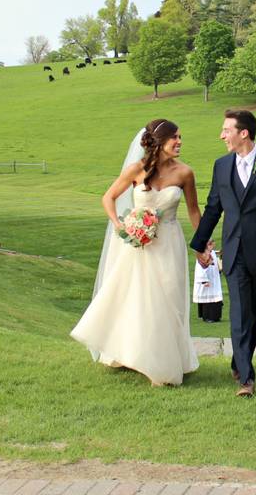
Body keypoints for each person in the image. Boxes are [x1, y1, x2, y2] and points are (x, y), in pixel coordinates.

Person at [71, 119, 200, 386]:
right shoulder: (136, 170)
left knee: (170, 300)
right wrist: (121, 225)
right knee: (139, 300)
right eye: (174, 137)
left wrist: (201, 245)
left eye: (180, 137)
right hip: (139, 245)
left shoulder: (185, 173)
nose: (179, 142)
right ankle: (142, 359)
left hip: (169, 243)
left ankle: (167, 359)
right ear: (158, 141)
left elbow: (193, 211)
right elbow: (108, 198)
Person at [190, 109, 256, 397]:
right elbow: (214, 207)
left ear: (243, 133)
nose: (222, 135)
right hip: (234, 252)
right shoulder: (221, 165)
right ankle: (246, 380)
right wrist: (199, 245)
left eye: (226, 130)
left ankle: (239, 359)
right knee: (238, 313)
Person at [193, 239, 224, 322]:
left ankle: (216, 317)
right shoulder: (202, 254)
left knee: (215, 299)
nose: (213, 246)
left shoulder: (212, 253)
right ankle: (208, 317)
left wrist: (219, 269)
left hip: (214, 280)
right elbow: (200, 269)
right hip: (207, 282)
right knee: (208, 300)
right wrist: (204, 280)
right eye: (211, 245)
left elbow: (215, 264)